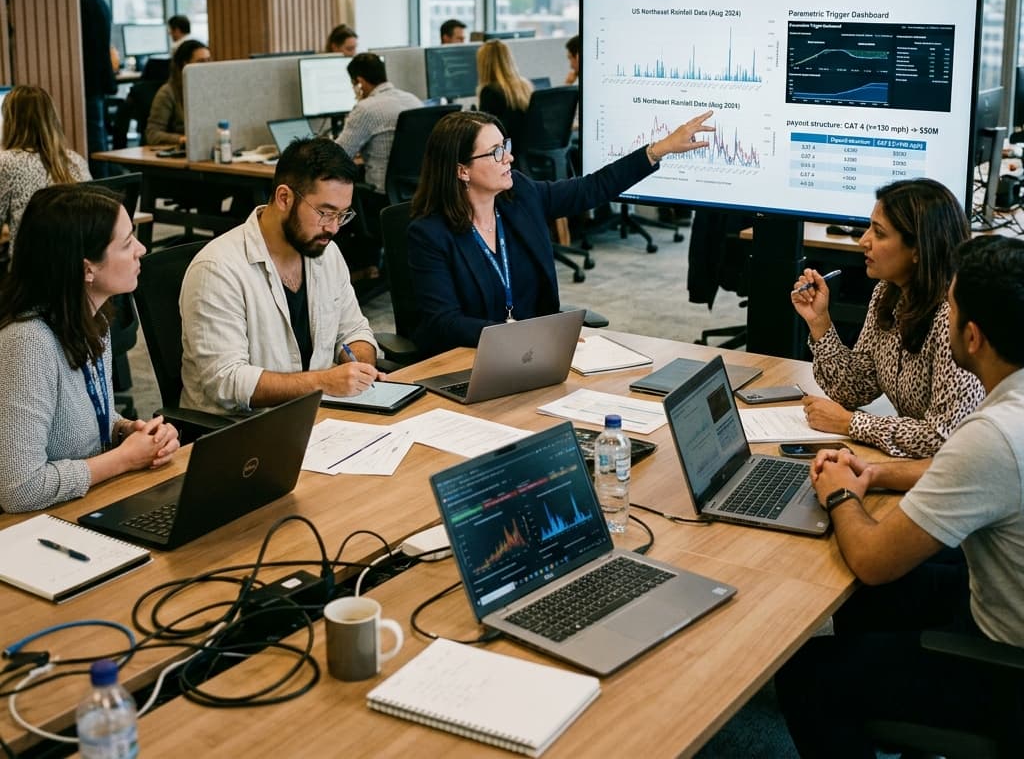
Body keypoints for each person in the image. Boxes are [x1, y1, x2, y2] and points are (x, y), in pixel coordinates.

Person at [776, 235, 1024, 757]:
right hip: (996, 599)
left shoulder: (993, 433)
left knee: (807, 675)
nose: (944, 317)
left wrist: (843, 495)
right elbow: (967, 474)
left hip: (1004, 665)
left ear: (972, 336)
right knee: (868, 606)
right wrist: (878, 474)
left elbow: (873, 559)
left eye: (951, 309)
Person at [407, 108, 715, 355]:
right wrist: (522, 337)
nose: (509, 157)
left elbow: (591, 188)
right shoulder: (430, 234)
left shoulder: (521, 197)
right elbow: (442, 322)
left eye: (506, 146)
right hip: (469, 360)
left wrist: (657, 150)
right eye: (496, 152)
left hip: (534, 356)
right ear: (462, 170)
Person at [0, 184, 179, 513]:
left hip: (85, 502)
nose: (140, 249)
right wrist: (124, 458)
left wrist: (126, 431)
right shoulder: (27, 343)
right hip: (31, 527)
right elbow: (19, 489)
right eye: (127, 244)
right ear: (87, 269)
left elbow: (82, 420)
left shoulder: (93, 321)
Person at [179, 137, 380, 416]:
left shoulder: (326, 252)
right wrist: (324, 382)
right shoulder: (218, 269)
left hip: (318, 417)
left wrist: (359, 365)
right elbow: (225, 381)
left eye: (342, 215)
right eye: (325, 213)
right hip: (242, 433)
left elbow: (354, 331)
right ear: (284, 198)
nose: (334, 228)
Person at [790, 178, 984, 457]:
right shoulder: (888, 294)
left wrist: (851, 424)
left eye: (879, 233)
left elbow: (944, 438)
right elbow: (854, 390)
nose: (863, 240)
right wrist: (819, 323)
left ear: (918, 249)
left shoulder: (953, 316)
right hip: (915, 466)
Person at [335, 52, 421, 278]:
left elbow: (339, 154)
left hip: (379, 199)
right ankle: (370, 266)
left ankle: (356, 270)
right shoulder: (413, 100)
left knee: (333, 197)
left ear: (360, 82)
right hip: (415, 194)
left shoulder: (366, 109)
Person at [0, 86, 91, 250]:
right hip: (75, 265)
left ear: (10, 122)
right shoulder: (76, 160)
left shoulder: (6, 162)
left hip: (30, 269)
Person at [51, 0, 115, 177]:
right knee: (97, 137)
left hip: (86, 83)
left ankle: (101, 189)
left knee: (93, 141)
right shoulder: (98, 0)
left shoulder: (80, 3)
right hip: (98, 81)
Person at [144, 38, 210, 146]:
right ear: (185, 65)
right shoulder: (167, 93)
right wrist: (181, 139)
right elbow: (152, 134)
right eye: (201, 62)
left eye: (208, 61)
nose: (207, 67)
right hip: (181, 153)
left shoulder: (210, 90)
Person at [476, 39, 533, 148]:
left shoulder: (490, 91)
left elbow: (484, 132)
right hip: (522, 149)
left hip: (504, 151)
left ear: (484, 64)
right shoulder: (524, 86)